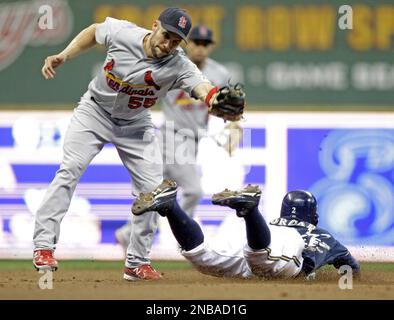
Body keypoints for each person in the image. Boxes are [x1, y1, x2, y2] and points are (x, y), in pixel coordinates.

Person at [33, 7, 243, 281]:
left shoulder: (179, 64)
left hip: (135, 123)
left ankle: (137, 262)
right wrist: (64, 55)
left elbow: (203, 87)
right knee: (70, 169)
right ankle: (44, 246)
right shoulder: (123, 33)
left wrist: (214, 99)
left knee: (154, 191)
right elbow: (93, 32)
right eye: (166, 35)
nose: (168, 44)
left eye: (176, 41)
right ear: (155, 26)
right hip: (94, 112)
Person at [114, 24, 233, 251]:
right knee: (193, 190)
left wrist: (234, 126)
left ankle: (127, 233)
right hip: (173, 136)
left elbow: (230, 106)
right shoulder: (171, 68)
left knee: (155, 191)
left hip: (192, 140)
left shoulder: (219, 74)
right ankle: (184, 236)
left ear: (212, 46)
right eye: (196, 41)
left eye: (205, 43)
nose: (200, 47)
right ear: (188, 44)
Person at [131, 180, 360, 279]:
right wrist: (345, 277)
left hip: (251, 237)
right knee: (265, 259)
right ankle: (250, 209)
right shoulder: (322, 235)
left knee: (202, 255)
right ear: (314, 216)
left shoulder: (275, 223)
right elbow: (351, 268)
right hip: (280, 248)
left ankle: (171, 207)